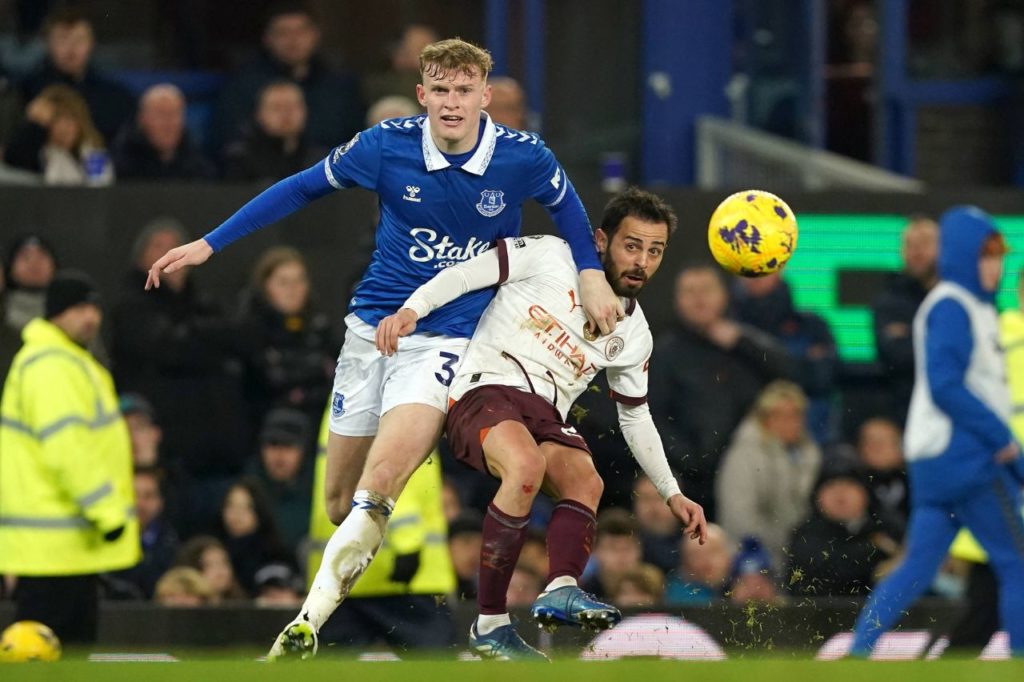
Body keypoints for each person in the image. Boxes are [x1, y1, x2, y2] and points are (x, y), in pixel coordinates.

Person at [144, 37, 621, 658]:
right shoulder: (385, 145)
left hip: (447, 342)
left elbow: (571, 212)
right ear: (423, 95)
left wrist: (589, 272)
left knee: (379, 486)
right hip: (370, 333)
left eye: (464, 91)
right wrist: (211, 243)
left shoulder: (522, 157)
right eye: (440, 91)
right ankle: (336, 598)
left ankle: (303, 628)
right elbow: (300, 187)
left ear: (486, 97)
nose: (452, 103)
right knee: (340, 503)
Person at [375, 189, 706, 658]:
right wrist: (414, 309)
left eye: (655, 251)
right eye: (632, 246)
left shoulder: (635, 334)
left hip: (544, 414)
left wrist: (671, 491)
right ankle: (489, 623)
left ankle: (560, 588)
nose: (642, 262)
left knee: (586, 480)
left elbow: (635, 415)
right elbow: (468, 273)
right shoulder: (551, 255)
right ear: (601, 240)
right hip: (483, 388)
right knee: (525, 466)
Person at [851, 206, 1024, 658]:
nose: (996, 265)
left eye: (1000, 256)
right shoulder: (954, 305)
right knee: (1017, 564)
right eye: (987, 255)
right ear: (965, 256)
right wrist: (1001, 438)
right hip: (967, 455)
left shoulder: (968, 305)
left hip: (938, 461)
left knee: (917, 566)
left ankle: (857, 653)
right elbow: (948, 385)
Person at [0, 272, 139, 642]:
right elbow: (67, 448)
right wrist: (107, 511)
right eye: (78, 308)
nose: (90, 317)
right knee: (51, 656)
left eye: (94, 307)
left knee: (63, 660)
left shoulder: (66, 362)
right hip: (55, 544)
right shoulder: (51, 365)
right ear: (55, 314)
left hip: (65, 545)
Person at [648, 264, 797, 519]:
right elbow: (654, 417)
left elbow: (791, 374)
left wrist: (742, 343)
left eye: (706, 290)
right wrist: (689, 461)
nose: (699, 299)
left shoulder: (743, 342)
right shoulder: (664, 352)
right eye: (690, 292)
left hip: (752, 472)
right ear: (677, 301)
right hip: (690, 478)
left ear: (724, 295)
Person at [305, 404, 456, 650]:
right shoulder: (396, 386)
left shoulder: (344, 392)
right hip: (402, 574)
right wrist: (408, 541)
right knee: (436, 667)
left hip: (341, 573)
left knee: (331, 669)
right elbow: (386, 469)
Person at [215, 3, 363, 150]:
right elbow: (230, 140)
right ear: (267, 38)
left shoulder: (340, 84)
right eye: (283, 33)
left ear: (316, 35)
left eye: (301, 31)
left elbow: (358, 139)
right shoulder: (243, 85)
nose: (293, 40)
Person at [715, 381, 822, 568]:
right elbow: (738, 516)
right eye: (779, 415)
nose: (789, 423)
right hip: (752, 555)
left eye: (795, 415)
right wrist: (784, 543)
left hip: (801, 554)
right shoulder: (744, 455)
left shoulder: (810, 454)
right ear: (763, 418)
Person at [237, 246, 336, 432]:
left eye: (299, 280)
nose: (293, 290)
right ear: (265, 286)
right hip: (261, 433)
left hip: (316, 428)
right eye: (283, 282)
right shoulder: (248, 332)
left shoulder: (321, 328)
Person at [20, 7, 135, 143]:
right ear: (47, 44)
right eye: (63, 39)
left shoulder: (115, 97)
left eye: (79, 39)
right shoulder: (26, 92)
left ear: (91, 43)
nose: (71, 48)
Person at [787, 459, 890, 597]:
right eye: (830, 485)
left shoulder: (889, 527)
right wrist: (875, 549)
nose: (840, 492)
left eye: (849, 484)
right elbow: (832, 569)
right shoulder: (805, 535)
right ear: (817, 495)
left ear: (866, 492)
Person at [871, 215, 939, 421]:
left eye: (925, 244)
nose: (917, 252)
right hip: (905, 413)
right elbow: (896, 357)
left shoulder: (957, 299)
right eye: (911, 245)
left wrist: (911, 337)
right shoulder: (887, 303)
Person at [3, 84, 113, 185]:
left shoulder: (93, 153)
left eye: (71, 118)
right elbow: (14, 158)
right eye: (56, 119)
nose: (65, 127)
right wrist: (35, 124)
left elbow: (103, 188)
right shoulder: (36, 157)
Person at [224, 80, 324, 182]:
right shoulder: (241, 159)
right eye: (276, 108)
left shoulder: (320, 160)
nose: (285, 114)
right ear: (259, 114)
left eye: (292, 107)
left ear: (305, 111)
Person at [112, 84, 215, 181]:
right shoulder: (117, 169)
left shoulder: (199, 168)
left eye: (174, 115)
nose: (168, 124)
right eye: (160, 115)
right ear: (142, 119)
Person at [247, 407, 314, 554]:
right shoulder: (247, 493)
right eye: (272, 444)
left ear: (304, 450)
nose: (278, 455)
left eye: (288, 445)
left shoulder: (319, 492)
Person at [4, 233, 56, 331]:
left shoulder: (68, 314)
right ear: (10, 267)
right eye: (25, 257)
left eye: (41, 257)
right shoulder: (2, 313)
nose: (34, 264)